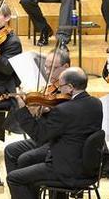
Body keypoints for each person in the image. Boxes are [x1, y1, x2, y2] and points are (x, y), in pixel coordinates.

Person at [6, 67, 102, 199]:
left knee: (14, 178)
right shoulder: (96, 103)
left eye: (61, 86)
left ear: (70, 87)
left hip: (65, 170)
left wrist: (23, 110)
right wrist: (48, 114)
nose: (59, 90)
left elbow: (39, 136)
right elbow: (71, 125)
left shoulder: (64, 110)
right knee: (26, 162)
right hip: (87, 168)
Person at [3, 48, 70, 173]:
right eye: (46, 67)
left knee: (25, 159)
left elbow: (64, 118)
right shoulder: (49, 89)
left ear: (65, 67)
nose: (49, 72)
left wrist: (46, 110)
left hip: (58, 143)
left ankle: (26, 184)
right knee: (10, 151)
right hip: (46, 137)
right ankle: (20, 191)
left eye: (53, 68)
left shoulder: (71, 89)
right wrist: (35, 112)